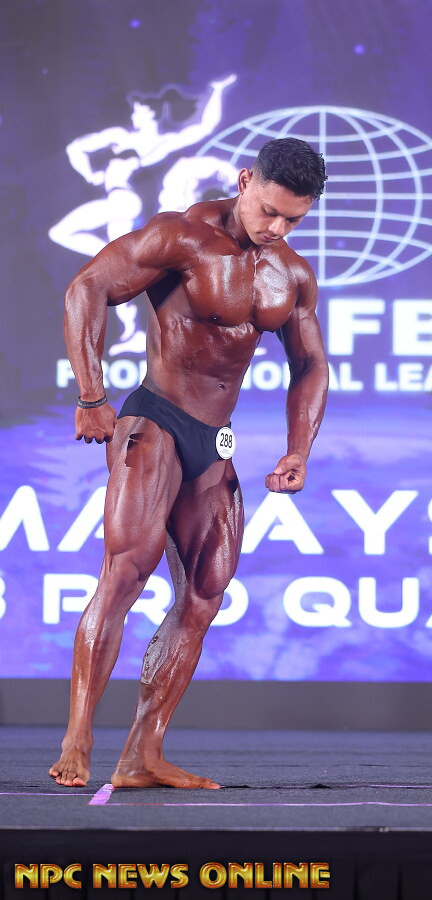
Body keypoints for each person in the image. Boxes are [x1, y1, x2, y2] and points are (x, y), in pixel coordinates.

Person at [48, 137, 328, 790]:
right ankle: (78, 738)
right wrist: (91, 396)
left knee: (204, 596)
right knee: (126, 574)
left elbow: (311, 363)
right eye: (269, 211)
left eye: (293, 219)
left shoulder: (291, 274)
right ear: (245, 180)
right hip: (155, 420)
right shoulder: (183, 238)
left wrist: (298, 448)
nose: (277, 227)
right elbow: (88, 286)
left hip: (215, 439)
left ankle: (142, 754)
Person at [48, 77, 237, 355]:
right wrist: (90, 174)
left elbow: (203, 127)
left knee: (64, 234)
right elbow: (76, 147)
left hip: (125, 202)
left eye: (139, 111)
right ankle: (133, 332)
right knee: (120, 272)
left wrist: (217, 91)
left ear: (153, 114)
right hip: (123, 203)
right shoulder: (120, 136)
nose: (135, 116)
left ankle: (173, 324)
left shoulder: (159, 143)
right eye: (134, 111)